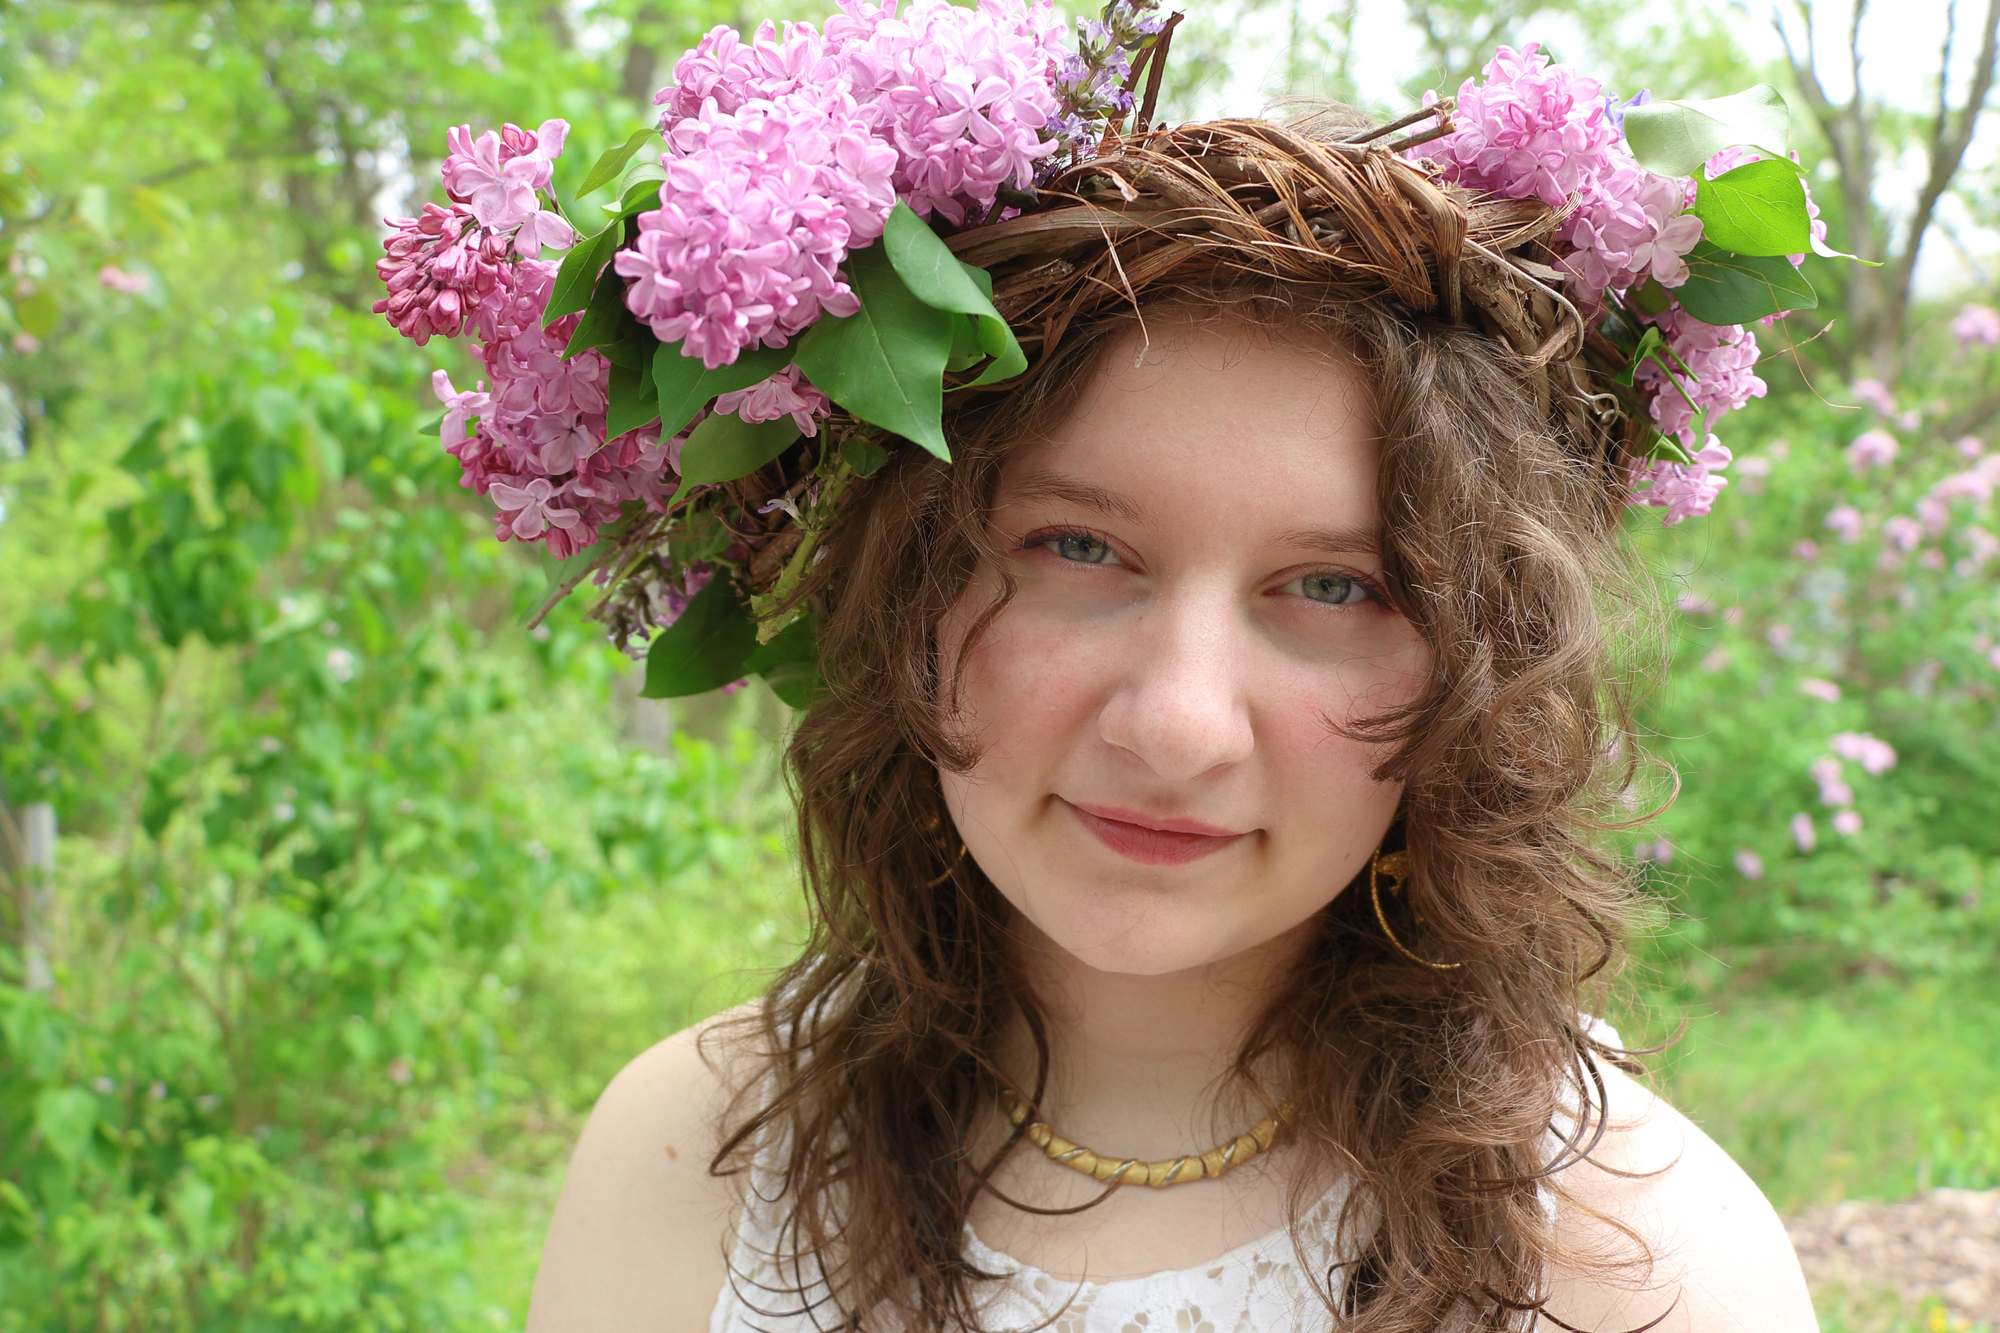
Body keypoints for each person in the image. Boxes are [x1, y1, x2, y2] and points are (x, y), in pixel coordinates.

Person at [373, 4, 1826, 1327]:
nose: (1180, 724)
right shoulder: (682, 1161)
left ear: (1476, 665)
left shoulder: (1640, 1269)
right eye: (1080, 549)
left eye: (1333, 585)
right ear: (907, 585)